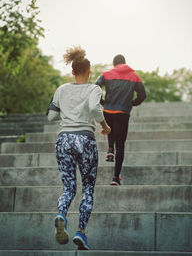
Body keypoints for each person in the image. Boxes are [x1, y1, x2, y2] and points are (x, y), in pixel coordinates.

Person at [46, 46, 110, 250]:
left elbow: (51, 116)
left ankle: (61, 214)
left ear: (72, 71)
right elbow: (94, 108)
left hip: (63, 140)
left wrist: (66, 112)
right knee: (88, 188)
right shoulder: (94, 89)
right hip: (85, 140)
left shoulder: (61, 89)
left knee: (69, 188)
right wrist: (104, 125)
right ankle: (81, 232)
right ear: (89, 71)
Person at [95, 54, 146, 186]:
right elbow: (143, 94)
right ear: (125, 63)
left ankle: (110, 148)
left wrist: (102, 102)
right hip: (123, 112)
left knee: (109, 128)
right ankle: (116, 178)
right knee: (121, 145)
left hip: (108, 110)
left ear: (114, 64)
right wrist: (133, 103)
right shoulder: (134, 76)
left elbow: (95, 87)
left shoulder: (106, 74)